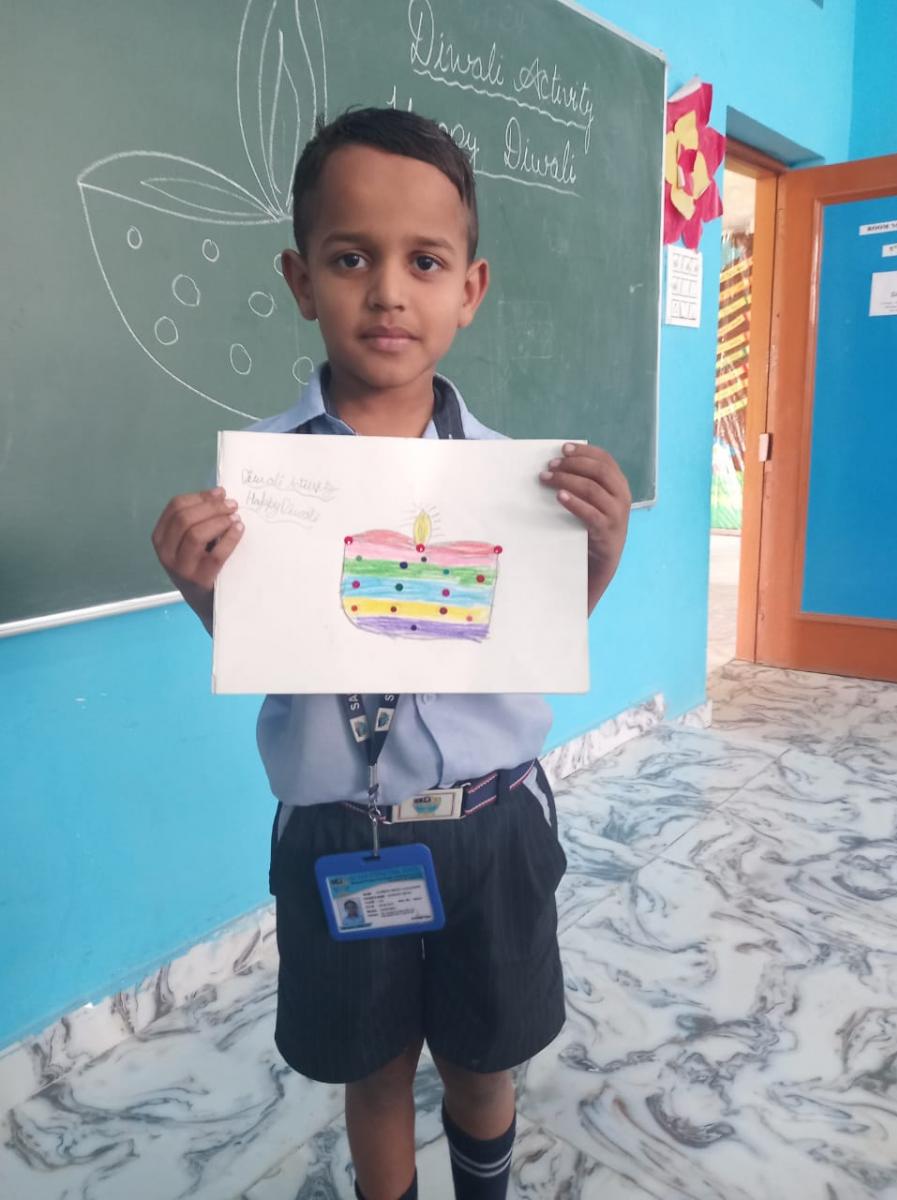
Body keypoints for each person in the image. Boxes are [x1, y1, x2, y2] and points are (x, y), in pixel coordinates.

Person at [151, 108, 631, 1200]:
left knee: (483, 1061)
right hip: (342, 832)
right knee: (372, 1071)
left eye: (425, 261)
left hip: (493, 821)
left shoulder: (517, 479)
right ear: (299, 278)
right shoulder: (262, 480)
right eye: (350, 258)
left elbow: (529, 639)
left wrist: (596, 555)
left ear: (471, 288)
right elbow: (279, 647)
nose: (388, 293)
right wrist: (201, 586)